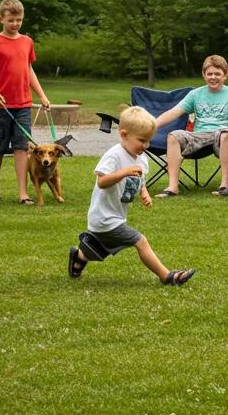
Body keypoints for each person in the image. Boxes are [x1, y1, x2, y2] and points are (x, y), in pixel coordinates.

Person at [67, 106, 195, 286]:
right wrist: (123, 172)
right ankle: (167, 276)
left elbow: (139, 179)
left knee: (98, 248)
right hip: (104, 218)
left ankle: (79, 257)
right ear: (124, 135)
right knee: (140, 241)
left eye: (148, 141)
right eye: (141, 140)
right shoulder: (114, 156)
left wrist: (144, 192)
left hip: (116, 215)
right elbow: (102, 182)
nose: (145, 145)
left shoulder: (141, 157)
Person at [151, 55, 228, 197]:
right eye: (210, 74)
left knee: (224, 133)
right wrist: (153, 124)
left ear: (225, 75)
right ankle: (172, 187)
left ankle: (224, 186)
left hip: (224, 134)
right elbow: (174, 112)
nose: (213, 77)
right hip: (199, 136)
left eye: (217, 74)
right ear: (204, 75)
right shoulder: (195, 94)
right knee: (173, 136)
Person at [0, 0, 51, 205]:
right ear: (1, 18)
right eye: (11, 20)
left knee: (22, 148)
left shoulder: (27, 42)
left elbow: (29, 70)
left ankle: (23, 193)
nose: (15, 24)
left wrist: (42, 95)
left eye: (19, 20)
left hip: (23, 105)